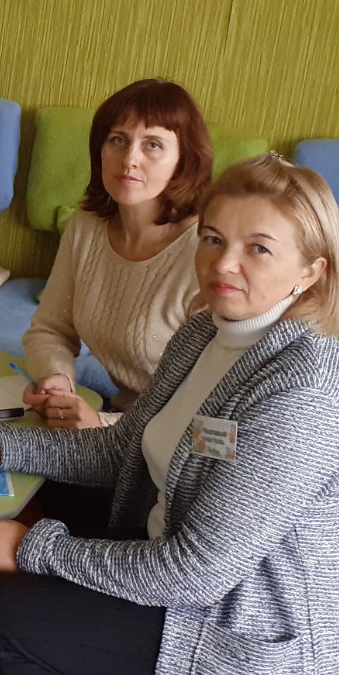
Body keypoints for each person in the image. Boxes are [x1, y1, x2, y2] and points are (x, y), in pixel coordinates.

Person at [0, 154, 339, 674]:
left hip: (237, 631)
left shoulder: (303, 396)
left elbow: (197, 573)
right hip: (172, 548)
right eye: (213, 239)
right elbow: (122, 448)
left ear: (311, 272)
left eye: (258, 249)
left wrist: (34, 550)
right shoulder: (204, 332)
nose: (223, 264)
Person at [22, 78, 213, 429]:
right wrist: (57, 381)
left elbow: (209, 409)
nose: (129, 160)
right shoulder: (86, 226)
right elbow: (50, 329)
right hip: (119, 417)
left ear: (184, 160)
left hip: (174, 439)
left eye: (153, 145)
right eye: (118, 140)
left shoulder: (208, 250)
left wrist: (102, 424)